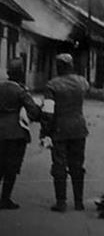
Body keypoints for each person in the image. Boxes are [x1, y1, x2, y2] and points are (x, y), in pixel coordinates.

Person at [41, 53, 90, 212]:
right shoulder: (82, 82)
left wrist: (45, 132)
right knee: (77, 165)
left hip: (59, 129)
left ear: (59, 67)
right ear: (71, 66)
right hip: (79, 128)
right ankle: (79, 202)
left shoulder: (52, 85)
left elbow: (48, 112)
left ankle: (61, 202)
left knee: (59, 165)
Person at [0, 58, 41, 209]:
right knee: (11, 168)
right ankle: (5, 199)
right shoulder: (20, 91)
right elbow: (34, 111)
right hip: (16, 134)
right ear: (20, 74)